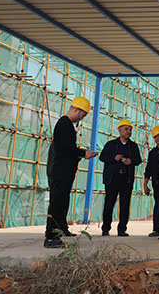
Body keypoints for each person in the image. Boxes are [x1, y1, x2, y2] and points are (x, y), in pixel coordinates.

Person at [44, 96, 98, 248]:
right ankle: (51, 236)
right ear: (76, 109)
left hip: (64, 170)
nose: (82, 118)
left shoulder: (67, 125)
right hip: (59, 170)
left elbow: (67, 149)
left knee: (63, 200)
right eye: (82, 115)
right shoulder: (65, 124)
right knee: (57, 202)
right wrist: (83, 153)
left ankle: (61, 228)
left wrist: (79, 154)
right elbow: (67, 147)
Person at [100, 119, 142, 237]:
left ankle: (122, 229)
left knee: (125, 205)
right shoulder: (111, 145)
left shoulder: (133, 146)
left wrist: (131, 161)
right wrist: (114, 158)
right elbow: (102, 157)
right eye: (126, 129)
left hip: (126, 180)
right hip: (112, 179)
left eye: (130, 130)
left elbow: (138, 160)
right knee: (109, 204)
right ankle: (106, 228)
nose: (128, 132)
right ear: (119, 130)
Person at [144, 126, 159, 237]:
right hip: (157, 183)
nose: (157, 138)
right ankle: (157, 229)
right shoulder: (153, 153)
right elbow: (148, 170)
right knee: (158, 205)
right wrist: (145, 185)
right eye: (155, 137)